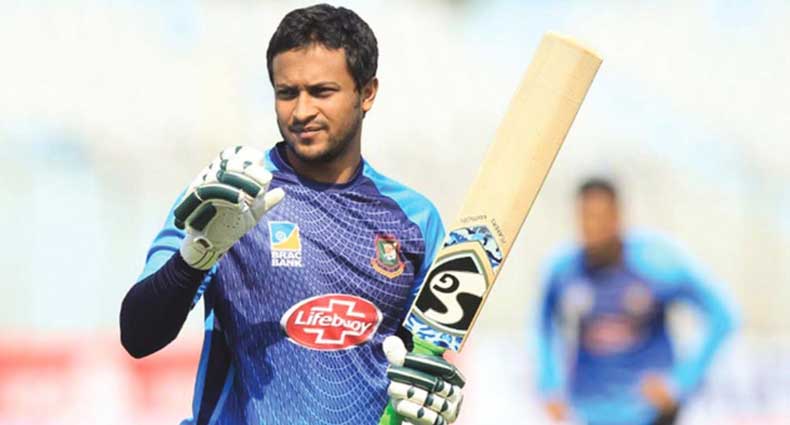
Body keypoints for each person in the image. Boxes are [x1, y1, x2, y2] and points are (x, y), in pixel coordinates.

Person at [120, 4, 465, 425]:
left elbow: (421, 364)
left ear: (367, 93)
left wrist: (432, 400)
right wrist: (196, 257)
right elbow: (138, 337)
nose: (301, 112)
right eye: (287, 93)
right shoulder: (232, 195)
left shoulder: (414, 220)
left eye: (321, 92)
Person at [535, 178, 735, 425]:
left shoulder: (655, 263)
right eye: (586, 217)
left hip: (649, 413)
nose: (593, 227)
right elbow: (543, 325)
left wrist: (681, 382)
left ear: (618, 216)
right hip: (591, 411)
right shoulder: (564, 270)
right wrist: (549, 384)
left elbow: (722, 316)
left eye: (601, 217)